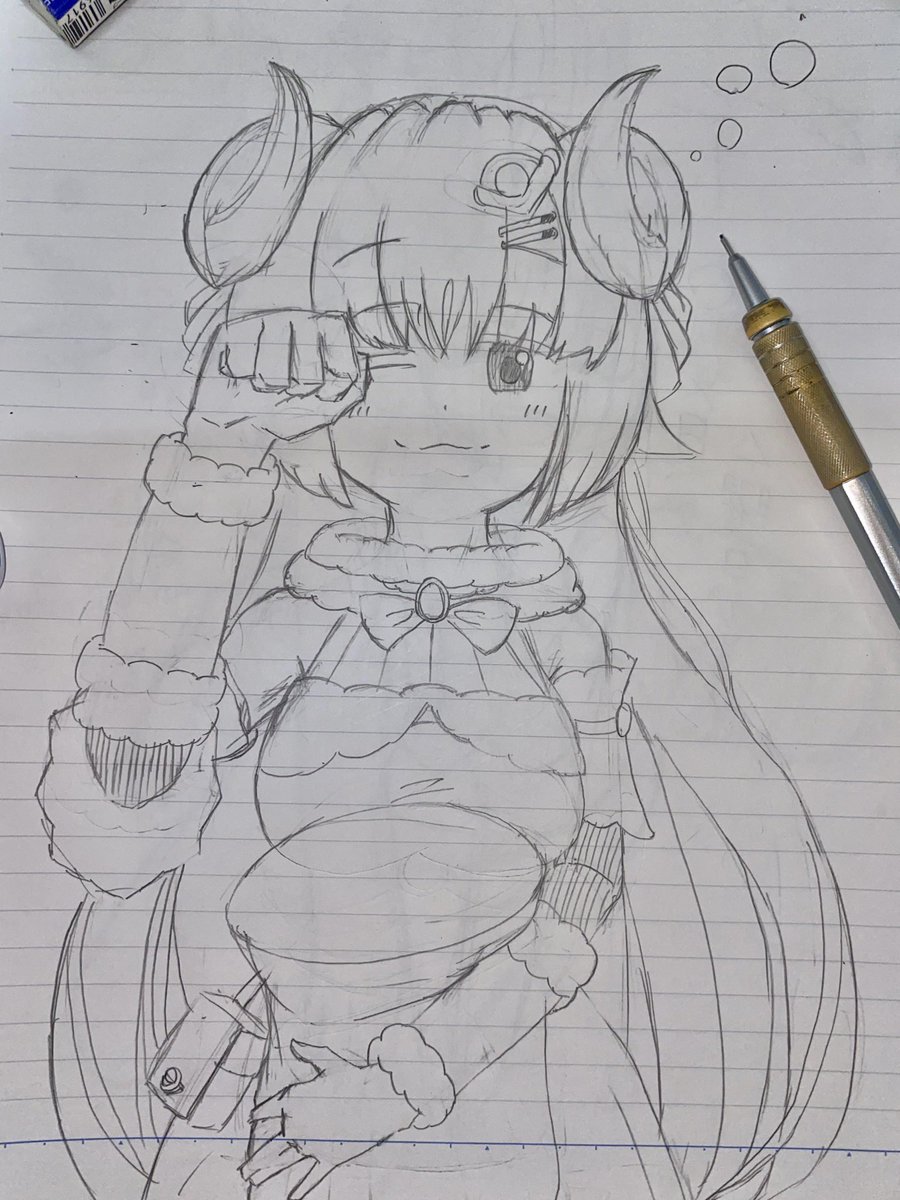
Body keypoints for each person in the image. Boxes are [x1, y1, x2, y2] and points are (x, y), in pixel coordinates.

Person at [38, 64, 857, 1200]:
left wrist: (413, 1078)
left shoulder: (567, 635)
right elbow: (126, 811)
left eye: (513, 359)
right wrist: (216, 461)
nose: (441, 407)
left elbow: (588, 884)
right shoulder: (309, 611)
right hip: (287, 1054)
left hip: (523, 1067)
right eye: (379, 349)